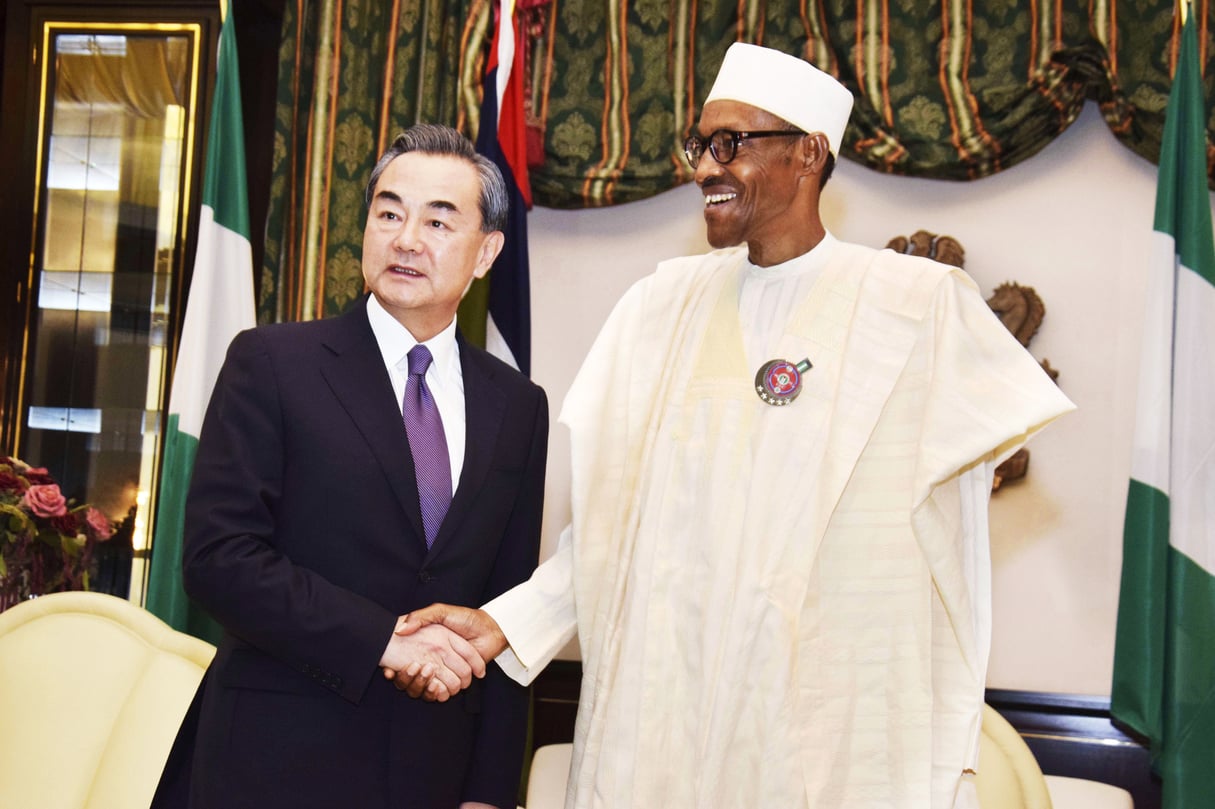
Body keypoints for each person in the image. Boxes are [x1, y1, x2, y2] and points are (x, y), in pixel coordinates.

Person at [392, 44, 1074, 808]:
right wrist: (501, 625)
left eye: (731, 144)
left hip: (816, 730)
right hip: (664, 719)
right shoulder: (660, 307)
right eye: (698, 145)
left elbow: (977, 475)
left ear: (808, 153)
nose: (704, 168)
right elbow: (613, 533)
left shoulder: (913, 306)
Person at [152, 123, 548, 809]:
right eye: (388, 213)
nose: (404, 239)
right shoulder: (273, 364)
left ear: (486, 253)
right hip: (271, 763)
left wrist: (489, 790)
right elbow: (219, 559)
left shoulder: (517, 405)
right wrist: (381, 643)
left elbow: (506, 610)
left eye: (437, 221)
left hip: (432, 771)